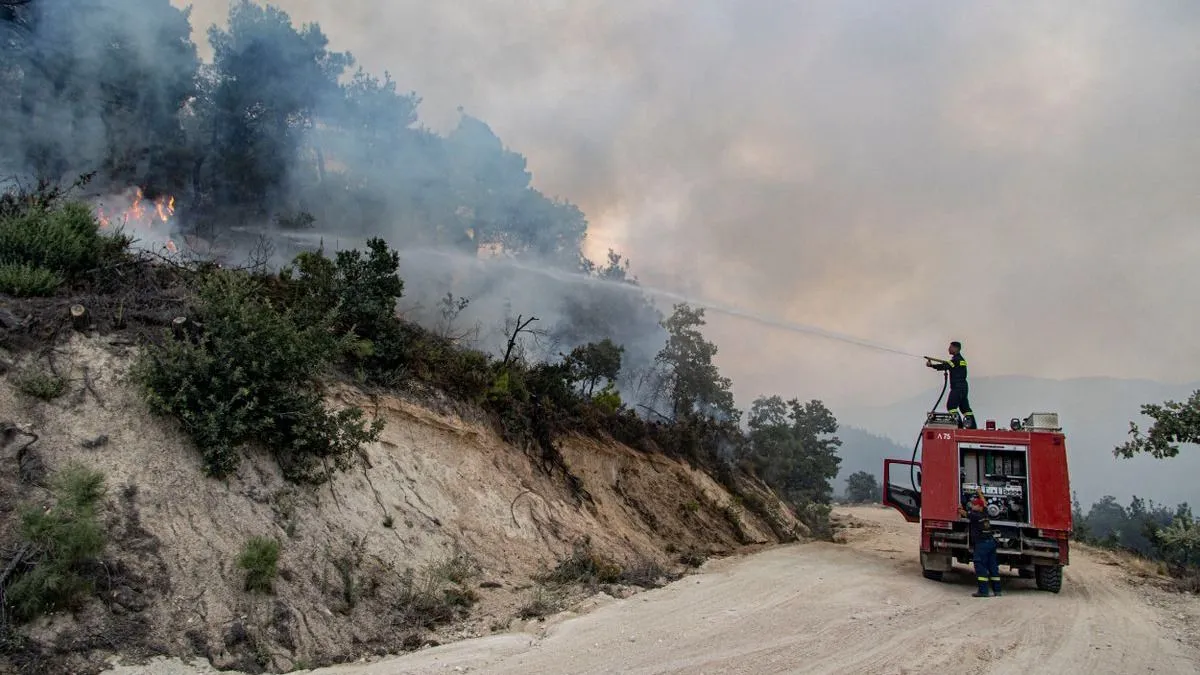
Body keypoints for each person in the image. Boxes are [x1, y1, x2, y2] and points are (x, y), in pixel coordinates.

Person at [926, 341, 975, 429]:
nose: (948, 349)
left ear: (956, 348)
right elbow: (949, 365)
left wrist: (931, 365)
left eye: (950, 347)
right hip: (963, 388)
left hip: (957, 388)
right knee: (965, 409)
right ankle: (972, 426)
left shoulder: (955, 360)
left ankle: (959, 426)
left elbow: (945, 366)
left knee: (951, 406)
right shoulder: (961, 360)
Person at [959, 496, 1001, 597]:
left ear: (979, 507)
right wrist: (979, 493)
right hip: (991, 543)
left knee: (980, 565)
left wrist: (959, 508)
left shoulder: (975, 515)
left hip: (982, 544)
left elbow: (964, 514)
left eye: (975, 505)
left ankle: (983, 591)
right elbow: (985, 503)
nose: (972, 506)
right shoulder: (985, 512)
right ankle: (997, 591)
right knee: (993, 567)